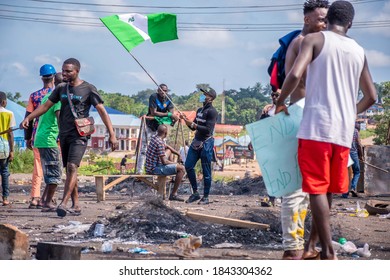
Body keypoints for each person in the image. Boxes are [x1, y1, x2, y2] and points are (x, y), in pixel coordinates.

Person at [275, 1, 377, 260]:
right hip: (343, 132)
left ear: (328, 18)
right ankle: (312, 247)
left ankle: (328, 252)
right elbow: (371, 96)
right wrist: (349, 112)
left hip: (316, 127)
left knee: (316, 189)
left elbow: (295, 75)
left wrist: (279, 102)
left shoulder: (314, 41)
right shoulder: (358, 50)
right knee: (328, 189)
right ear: (351, 23)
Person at [21, 57, 119, 217]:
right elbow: (45, 106)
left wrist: (112, 134)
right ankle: (76, 205)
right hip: (63, 135)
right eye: (63, 70)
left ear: (77, 71)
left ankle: (64, 203)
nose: (64, 73)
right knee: (69, 169)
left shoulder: (88, 88)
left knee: (73, 167)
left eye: (68, 71)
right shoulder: (61, 88)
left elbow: (102, 111)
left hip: (79, 135)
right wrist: (29, 118)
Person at [279, 0, 329, 260]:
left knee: (307, 188)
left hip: (307, 116)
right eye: (321, 19)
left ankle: (301, 245)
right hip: (301, 115)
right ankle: (292, 248)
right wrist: (279, 103)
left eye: (327, 19)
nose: (325, 24)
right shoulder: (302, 42)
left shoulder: (316, 44)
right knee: (296, 189)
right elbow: (296, 77)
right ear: (308, 19)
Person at [25, 64, 57, 209]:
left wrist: (27, 138)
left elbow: (28, 118)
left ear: (42, 78)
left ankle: (35, 197)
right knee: (54, 166)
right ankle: (50, 197)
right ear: (54, 77)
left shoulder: (34, 96)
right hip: (54, 136)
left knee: (38, 167)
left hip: (37, 136)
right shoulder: (57, 94)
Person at [181, 87, 218, 205]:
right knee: (188, 166)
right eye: (202, 94)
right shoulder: (199, 110)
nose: (202, 96)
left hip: (206, 143)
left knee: (206, 171)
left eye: (205, 94)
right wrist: (187, 121)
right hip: (196, 141)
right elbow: (193, 126)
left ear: (210, 98)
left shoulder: (212, 111)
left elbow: (208, 130)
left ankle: (206, 197)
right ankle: (195, 193)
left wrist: (194, 125)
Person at [34, 72, 63, 211]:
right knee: (55, 173)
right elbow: (59, 119)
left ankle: (44, 200)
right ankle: (47, 203)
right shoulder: (58, 100)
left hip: (41, 138)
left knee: (50, 173)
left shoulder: (48, 96)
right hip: (49, 139)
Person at [136, 84, 179, 174]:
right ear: (158, 91)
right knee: (144, 149)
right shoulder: (154, 97)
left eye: (165, 91)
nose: (163, 93)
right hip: (150, 125)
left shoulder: (169, 98)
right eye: (161, 90)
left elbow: (171, 112)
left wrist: (171, 116)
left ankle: (165, 168)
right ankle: (139, 171)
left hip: (160, 127)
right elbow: (153, 112)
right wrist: (168, 114)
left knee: (163, 148)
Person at [145, 124, 185, 201]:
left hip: (154, 164)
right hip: (154, 168)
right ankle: (173, 194)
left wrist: (178, 154)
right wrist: (176, 164)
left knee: (169, 151)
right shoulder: (159, 143)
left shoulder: (155, 138)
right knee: (181, 169)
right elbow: (164, 161)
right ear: (166, 133)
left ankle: (173, 170)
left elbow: (167, 147)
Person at [0, 91, 15, 206]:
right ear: (4, 102)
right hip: (3, 148)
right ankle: (5, 198)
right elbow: (10, 134)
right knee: (4, 173)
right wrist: (12, 150)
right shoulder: (9, 113)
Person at [342, 122, 364, 198]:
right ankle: (352, 187)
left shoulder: (344, 130)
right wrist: (361, 156)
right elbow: (359, 144)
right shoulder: (355, 131)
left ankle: (345, 194)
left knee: (346, 174)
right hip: (353, 153)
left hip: (344, 153)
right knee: (357, 172)